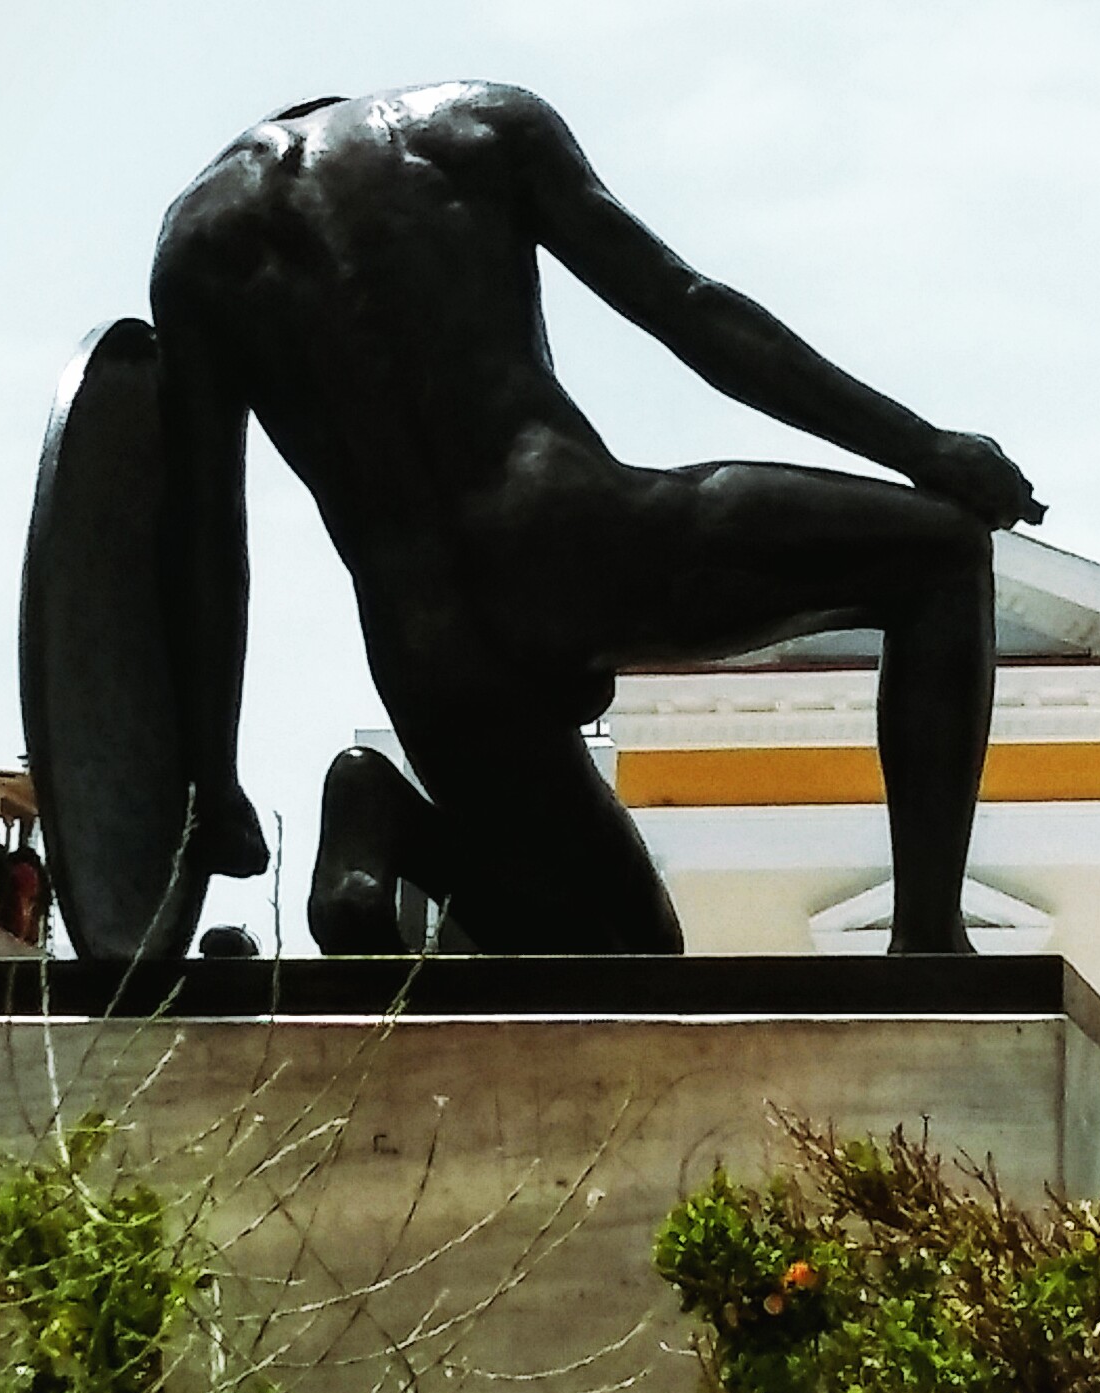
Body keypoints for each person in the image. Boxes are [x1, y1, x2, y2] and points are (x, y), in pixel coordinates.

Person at [133, 82, 1041, 957]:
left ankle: (388, 823)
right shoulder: (471, 128)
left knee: (623, 952)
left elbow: (204, 539)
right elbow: (691, 312)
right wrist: (921, 449)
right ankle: (928, 939)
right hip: (566, 537)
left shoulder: (194, 248)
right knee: (942, 556)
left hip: (423, 645)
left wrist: (211, 780)